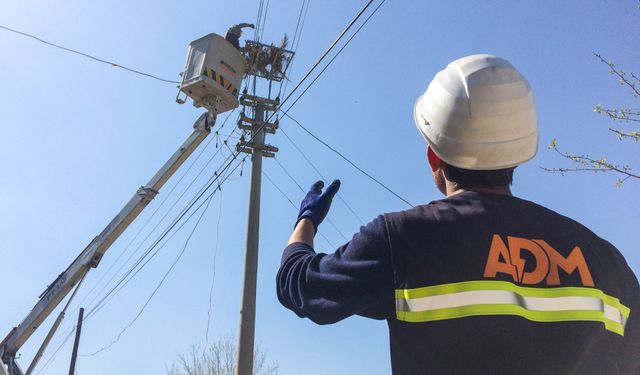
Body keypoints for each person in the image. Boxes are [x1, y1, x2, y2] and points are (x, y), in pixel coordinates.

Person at [276, 54, 640, 374]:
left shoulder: (402, 240)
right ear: (517, 152)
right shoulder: (608, 263)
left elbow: (297, 284)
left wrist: (306, 220)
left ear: (434, 156)